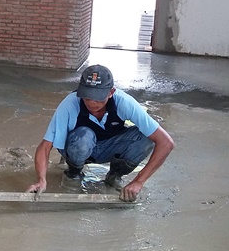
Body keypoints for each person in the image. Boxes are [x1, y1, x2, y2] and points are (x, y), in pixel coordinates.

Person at [26, 64, 175, 202]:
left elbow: (166, 143)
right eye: (87, 97)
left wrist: (138, 181)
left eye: (98, 98)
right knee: (84, 136)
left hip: (110, 147)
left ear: (111, 92)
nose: (92, 103)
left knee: (145, 136)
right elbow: (45, 146)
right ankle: (74, 173)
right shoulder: (70, 104)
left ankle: (115, 175)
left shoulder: (124, 102)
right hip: (78, 147)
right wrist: (41, 179)